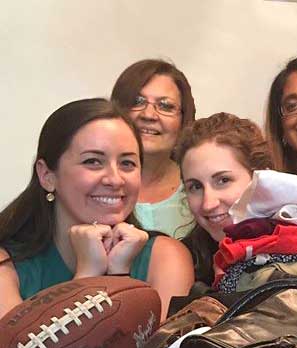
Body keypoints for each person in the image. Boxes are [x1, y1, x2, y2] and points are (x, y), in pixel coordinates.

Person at [0, 98, 194, 320]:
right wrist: (87, 276)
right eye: (93, 161)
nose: (114, 179)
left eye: (127, 163)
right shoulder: (7, 267)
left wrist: (120, 276)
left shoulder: (165, 257)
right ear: (47, 176)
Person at [176, 112, 272, 285]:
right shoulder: (182, 263)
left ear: (261, 178)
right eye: (195, 187)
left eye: (223, 180)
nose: (208, 204)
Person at [111, 59, 197, 237]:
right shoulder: (96, 186)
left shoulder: (201, 186)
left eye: (165, 106)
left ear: (184, 120)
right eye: (137, 102)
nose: (148, 115)